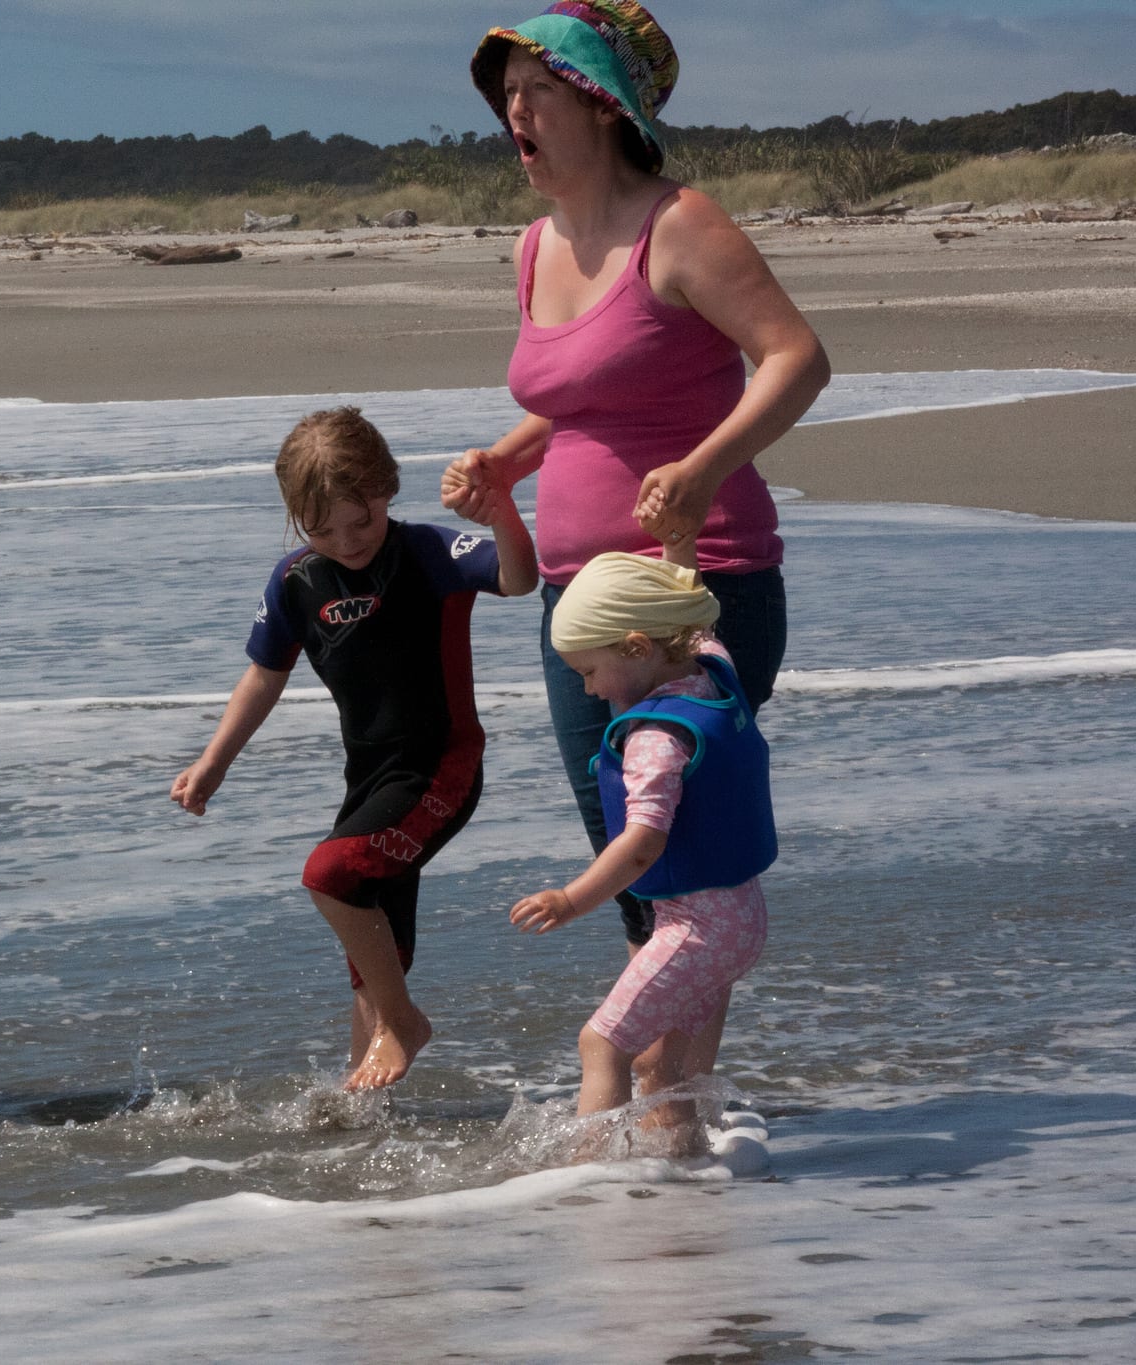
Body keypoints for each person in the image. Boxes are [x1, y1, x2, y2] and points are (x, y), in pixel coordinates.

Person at [443, 0, 825, 1076]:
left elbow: (796, 357)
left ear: (603, 107)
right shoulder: (533, 245)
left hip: (691, 587)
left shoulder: (682, 224)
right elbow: (581, 397)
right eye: (504, 96)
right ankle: (669, 1110)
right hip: (581, 605)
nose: (514, 113)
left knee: (675, 854)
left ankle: (661, 1106)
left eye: (538, 92)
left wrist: (701, 470)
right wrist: (506, 461)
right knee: (622, 846)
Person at [172, 407, 537, 1090]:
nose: (347, 541)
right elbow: (263, 675)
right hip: (369, 779)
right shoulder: (295, 582)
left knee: (331, 874)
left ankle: (404, 1024)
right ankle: (363, 1114)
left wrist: (504, 517)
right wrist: (213, 762)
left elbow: (519, 580)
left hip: (441, 767)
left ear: (389, 488)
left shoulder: (427, 553)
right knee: (374, 950)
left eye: (361, 520)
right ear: (296, 519)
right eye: (322, 529)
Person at [507, 521, 773, 1155]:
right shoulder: (712, 672)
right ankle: (685, 1167)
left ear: (634, 648)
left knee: (603, 1043)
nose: (588, 689)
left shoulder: (655, 739)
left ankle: (589, 1176)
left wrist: (572, 899)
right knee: (661, 1064)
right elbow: (692, 615)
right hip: (740, 919)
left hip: (695, 927)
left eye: (590, 670)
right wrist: (676, 546)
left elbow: (644, 843)